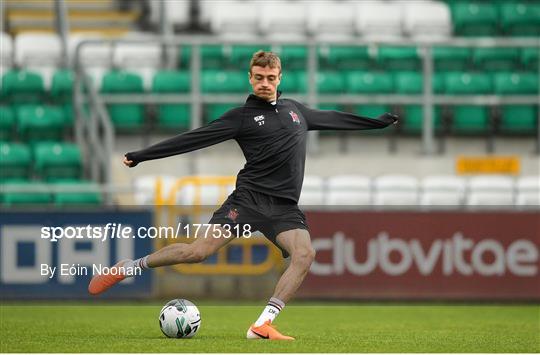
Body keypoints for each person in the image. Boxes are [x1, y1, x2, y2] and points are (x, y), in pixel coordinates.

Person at [88, 51, 398, 340]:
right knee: (197, 253)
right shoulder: (241, 117)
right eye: (259, 77)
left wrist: (377, 123)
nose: (265, 83)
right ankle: (131, 266)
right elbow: (193, 139)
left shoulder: (296, 111)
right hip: (247, 202)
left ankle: (262, 325)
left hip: (284, 208)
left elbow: (334, 118)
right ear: (251, 79)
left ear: (279, 78)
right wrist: (143, 155)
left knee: (306, 255)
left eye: (271, 77)